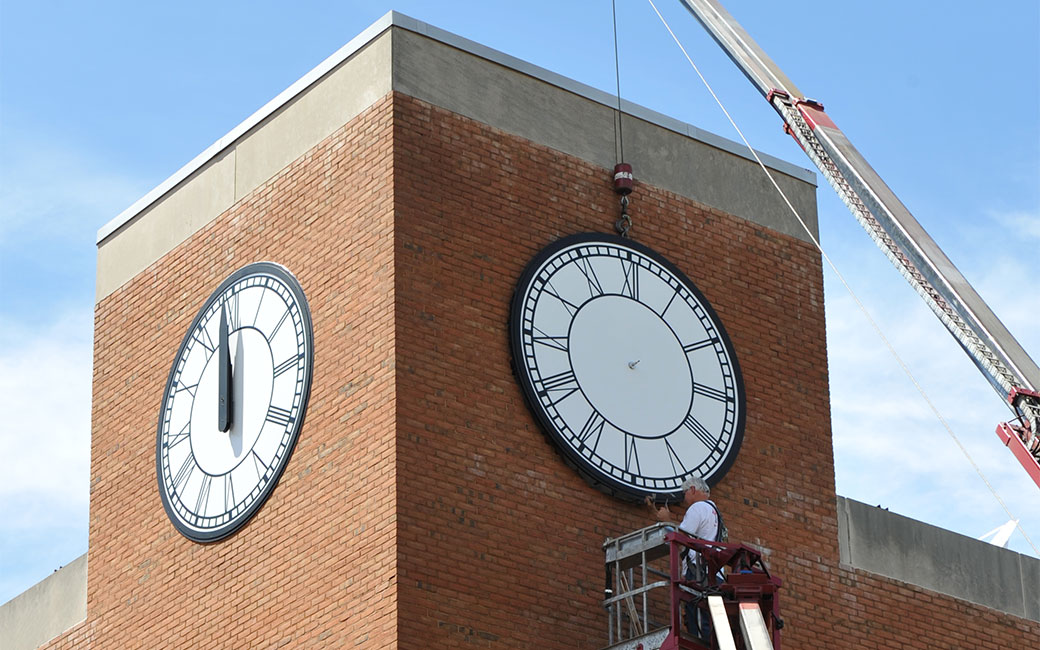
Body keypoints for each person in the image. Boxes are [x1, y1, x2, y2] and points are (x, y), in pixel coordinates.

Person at [644, 476, 722, 642]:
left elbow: (681, 538)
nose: (684, 497)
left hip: (699, 574)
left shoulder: (697, 508)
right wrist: (656, 514)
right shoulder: (714, 512)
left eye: (684, 493)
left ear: (693, 490)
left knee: (699, 625)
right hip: (715, 575)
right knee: (711, 624)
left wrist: (667, 520)